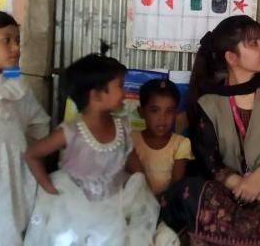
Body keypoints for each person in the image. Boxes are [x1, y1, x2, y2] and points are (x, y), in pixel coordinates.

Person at [159, 15, 260, 245]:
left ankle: (224, 237)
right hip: (229, 188)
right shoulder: (210, 101)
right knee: (185, 191)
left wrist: (259, 178)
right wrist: (244, 186)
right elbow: (211, 163)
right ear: (231, 57)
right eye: (254, 43)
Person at [24, 47, 159, 246]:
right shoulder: (72, 131)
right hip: (71, 209)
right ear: (96, 95)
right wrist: (46, 186)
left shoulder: (121, 126)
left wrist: (141, 187)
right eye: (120, 86)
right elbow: (32, 154)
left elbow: (131, 159)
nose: (125, 93)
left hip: (112, 207)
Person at [0, 11, 50, 246]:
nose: (16, 48)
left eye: (18, 41)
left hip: (11, 186)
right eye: (6, 40)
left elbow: (40, 125)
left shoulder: (17, 89)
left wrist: (27, 154)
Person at [129, 78, 193, 195]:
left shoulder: (181, 144)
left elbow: (176, 188)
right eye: (154, 111)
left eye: (169, 111)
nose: (162, 118)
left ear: (176, 113)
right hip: (136, 206)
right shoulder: (131, 140)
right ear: (141, 112)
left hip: (167, 206)